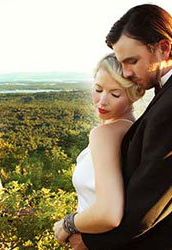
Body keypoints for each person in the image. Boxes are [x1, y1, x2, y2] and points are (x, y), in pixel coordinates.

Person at [67, 4, 172, 250]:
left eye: (132, 61)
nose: (126, 72)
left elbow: (146, 209)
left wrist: (84, 237)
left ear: (164, 48)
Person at [53, 53, 145, 244]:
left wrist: (67, 224)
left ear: (135, 95)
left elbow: (109, 213)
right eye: (98, 89)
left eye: (115, 94)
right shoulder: (133, 130)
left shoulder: (104, 134)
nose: (102, 101)